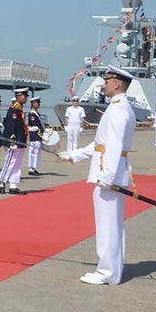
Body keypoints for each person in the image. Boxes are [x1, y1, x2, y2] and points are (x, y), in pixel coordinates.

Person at [58, 66, 136, 285]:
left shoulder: (118, 110)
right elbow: (101, 143)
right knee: (113, 224)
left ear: (117, 84)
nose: (103, 85)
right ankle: (113, 269)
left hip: (108, 174)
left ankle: (107, 272)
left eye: (107, 81)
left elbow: (113, 145)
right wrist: (75, 155)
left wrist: (108, 176)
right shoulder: (119, 107)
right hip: (111, 171)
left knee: (108, 225)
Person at [0, 88, 29, 194]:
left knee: (17, 163)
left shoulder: (19, 109)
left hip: (21, 141)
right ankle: (2, 182)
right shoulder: (13, 110)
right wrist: (12, 141)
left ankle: (13, 184)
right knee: (9, 162)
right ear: (18, 96)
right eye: (24, 95)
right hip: (14, 141)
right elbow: (11, 127)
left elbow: (20, 126)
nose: (26, 98)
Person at [27, 96, 46, 176]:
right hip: (34, 135)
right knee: (33, 151)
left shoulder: (36, 113)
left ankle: (34, 168)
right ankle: (31, 168)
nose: (38, 105)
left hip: (38, 135)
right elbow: (34, 125)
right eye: (37, 103)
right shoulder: (32, 114)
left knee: (36, 152)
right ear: (33, 104)